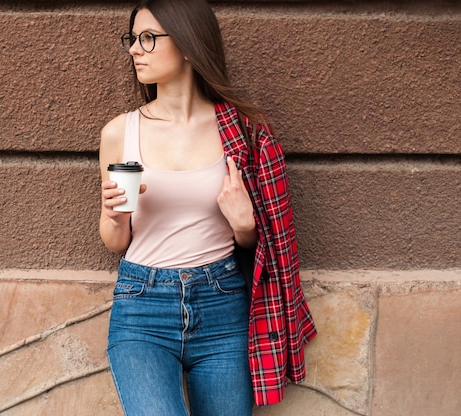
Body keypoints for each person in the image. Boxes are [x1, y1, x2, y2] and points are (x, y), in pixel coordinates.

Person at [99, 1, 317, 414]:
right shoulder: (119, 133)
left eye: (147, 39)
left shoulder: (241, 131)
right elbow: (115, 242)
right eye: (133, 39)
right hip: (142, 308)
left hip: (222, 305)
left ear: (186, 45)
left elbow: (262, 240)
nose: (133, 51)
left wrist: (244, 225)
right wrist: (115, 216)